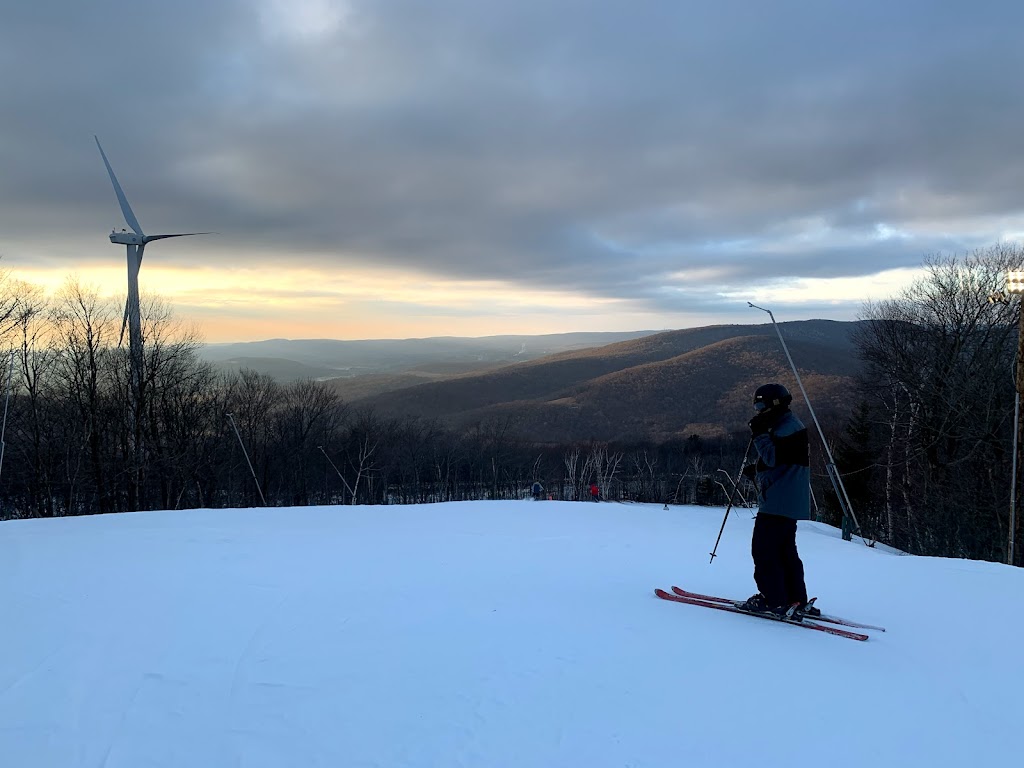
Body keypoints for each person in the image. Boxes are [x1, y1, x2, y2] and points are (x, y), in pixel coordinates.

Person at [738, 383, 820, 618]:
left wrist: (759, 435)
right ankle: (794, 598)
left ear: (775, 404)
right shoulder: (790, 425)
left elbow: (773, 456)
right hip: (788, 500)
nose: (758, 411)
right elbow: (785, 460)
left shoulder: (786, 427)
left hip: (778, 501)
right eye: (756, 405)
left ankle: (773, 599)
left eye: (761, 405)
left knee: (764, 550)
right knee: (785, 552)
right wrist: (757, 469)